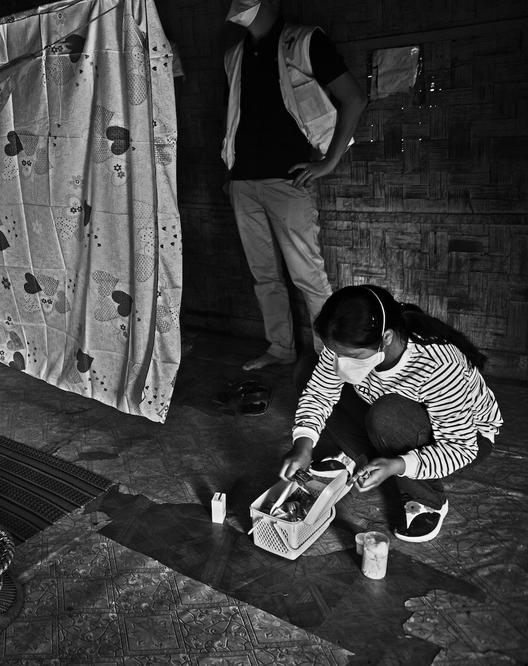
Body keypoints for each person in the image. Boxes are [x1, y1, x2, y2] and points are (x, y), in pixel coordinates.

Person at [279, 285, 503, 542]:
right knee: (307, 371)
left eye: (352, 356)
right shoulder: (347, 340)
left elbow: (460, 447)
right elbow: (320, 392)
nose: (339, 364)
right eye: (336, 353)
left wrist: (398, 464)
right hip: (388, 409)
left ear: (386, 338)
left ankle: (426, 498)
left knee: (386, 417)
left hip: (464, 438)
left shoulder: (438, 366)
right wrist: (303, 443)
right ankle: (367, 460)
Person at [222, 0, 368, 371]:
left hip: (288, 179)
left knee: (308, 275)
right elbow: (237, 118)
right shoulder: (234, 55)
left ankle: (330, 360)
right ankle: (280, 347)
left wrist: (330, 161)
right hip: (242, 181)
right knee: (264, 276)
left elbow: (355, 97)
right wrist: (231, 172)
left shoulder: (304, 41)